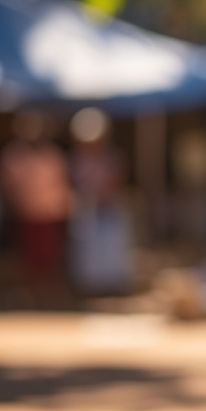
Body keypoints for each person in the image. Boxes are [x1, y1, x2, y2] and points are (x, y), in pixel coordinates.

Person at [0, 111, 72, 303]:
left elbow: (61, 182)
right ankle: (31, 290)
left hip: (50, 211)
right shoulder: (14, 154)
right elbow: (6, 181)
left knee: (50, 253)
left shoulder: (53, 154)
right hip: (27, 211)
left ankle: (50, 290)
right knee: (29, 254)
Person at [67, 107, 134, 296]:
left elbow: (117, 181)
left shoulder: (112, 157)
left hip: (110, 210)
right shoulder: (77, 159)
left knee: (112, 250)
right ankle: (90, 288)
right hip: (88, 211)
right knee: (88, 253)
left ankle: (114, 287)